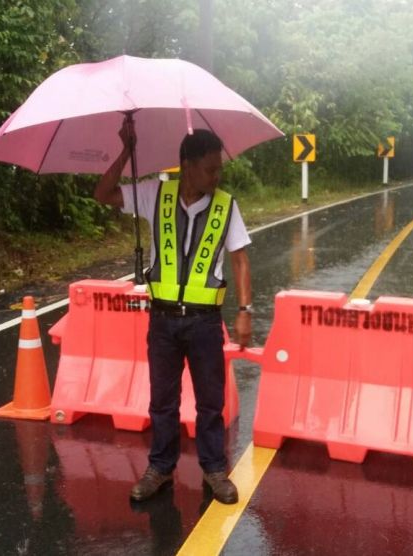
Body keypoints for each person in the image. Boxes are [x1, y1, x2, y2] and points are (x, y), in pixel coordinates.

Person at [94, 121, 253, 505]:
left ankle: (214, 469)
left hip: (204, 322)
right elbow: (103, 194)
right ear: (187, 165)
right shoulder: (155, 194)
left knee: (209, 402)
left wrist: (245, 309)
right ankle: (160, 469)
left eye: (219, 169)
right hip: (162, 320)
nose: (216, 176)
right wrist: (126, 153)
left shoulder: (226, 205)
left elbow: (240, 260)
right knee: (162, 401)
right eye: (209, 168)